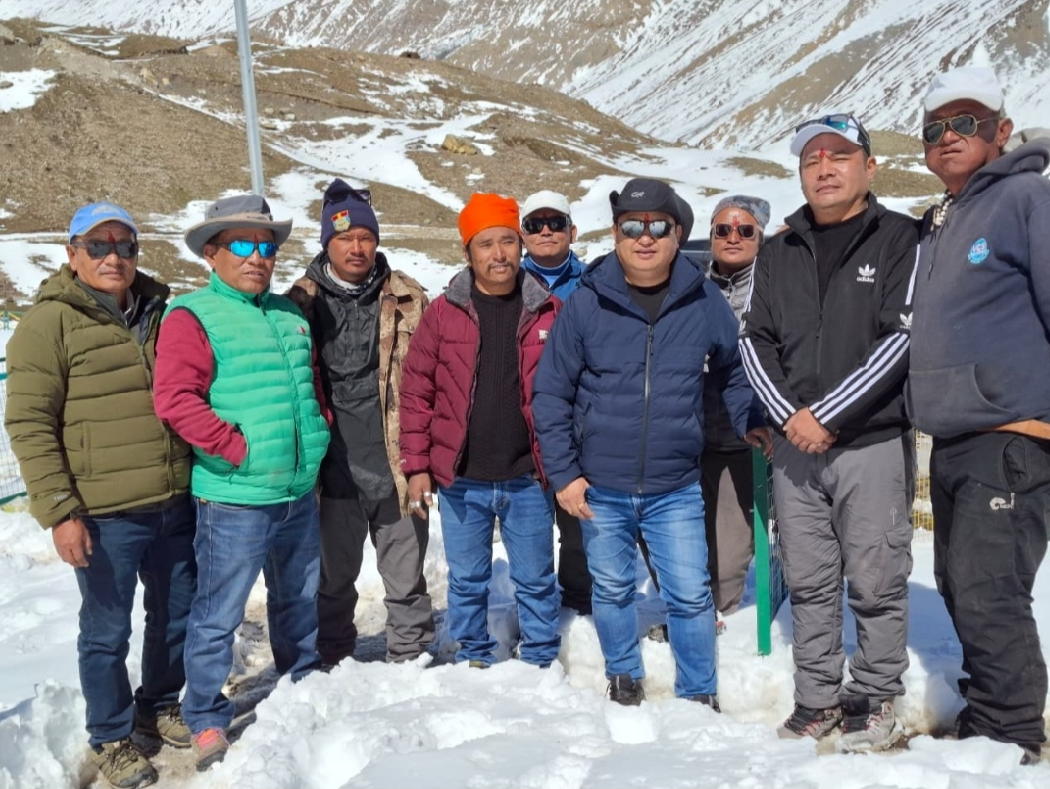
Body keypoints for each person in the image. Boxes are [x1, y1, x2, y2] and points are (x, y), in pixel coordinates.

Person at [532, 178, 768, 707]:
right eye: (631, 227)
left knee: (689, 594)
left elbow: (732, 371)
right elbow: (550, 393)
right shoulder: (587, 302)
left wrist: (750, 417)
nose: (645, 238)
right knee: (612, 589)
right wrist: (565, 475)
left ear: (677, 233)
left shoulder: (702, 298)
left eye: (657, 227)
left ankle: (699, 693)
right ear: (615, 234)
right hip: (601, 486)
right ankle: (622, 674)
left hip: (676, 484)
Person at [739, 112, 918, 751]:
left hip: (868, 443)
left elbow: (901, 340)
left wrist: (827, 414)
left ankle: (873, 696)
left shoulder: (898, 238)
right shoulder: (780, 249)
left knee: (875, 577)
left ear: (868, 167)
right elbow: (754, 339)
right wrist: (791, 418)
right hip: (795, 450)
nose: (824, 167)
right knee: (811, 580)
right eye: (812, 158)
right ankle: (817, 698)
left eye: (839, 156)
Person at [5, 202, 194, 789]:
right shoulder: (48, 323)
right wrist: (60, 513)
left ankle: (158, 702)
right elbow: (30, 423)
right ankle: (110, 734)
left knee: (175, 615)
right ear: (72, 253)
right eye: (98, 246)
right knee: (107, 631)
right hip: (104, 512)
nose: (114, 257)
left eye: (126, 246)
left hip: (174, 498)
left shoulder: (162, 310)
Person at [153, 194, 330, 771]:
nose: (259, 257)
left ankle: (301, 682)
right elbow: (175, 400)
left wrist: (319, 434)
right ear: (213, 253)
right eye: (243, 245)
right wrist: (238, 448)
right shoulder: (192, 315)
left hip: (297, 490)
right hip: (234, 498)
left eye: (267, 247)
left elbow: (310, 390)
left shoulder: (288, 313)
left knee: (298, 598)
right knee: (219, 611)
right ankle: (204, 715)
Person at [907, 66, 1050, 766]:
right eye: (936, 128)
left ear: (1000, 128)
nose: (948, 137)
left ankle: (1015, 733)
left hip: (1013, 435)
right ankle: (989, 710)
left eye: (966, 122)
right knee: (960, 580)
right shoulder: (948, 217)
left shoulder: (1027, 197)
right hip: (957, 435)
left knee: (992, 587)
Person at [399, 193, 562, 668]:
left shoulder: (547, 311)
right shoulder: (443, 314)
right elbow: (417, 394)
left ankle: (540, 657)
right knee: (467, 578)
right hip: (461, 478)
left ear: (520, 245)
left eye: (508, 241)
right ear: (468, 253)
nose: (499, 254)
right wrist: (417, 467)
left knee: (535, 576)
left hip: (526, 475)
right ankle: (474, 654)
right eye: (485, 243)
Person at [287, 178, 435, 666]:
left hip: (396, 466)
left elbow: (432, 380)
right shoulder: (296, 305)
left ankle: (411, 659)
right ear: (327, 242)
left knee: (406, 577)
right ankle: (332, 658)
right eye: (345, 237)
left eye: (366, 237)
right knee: (331, 581)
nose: (357, 247)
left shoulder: (409, 297)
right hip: (331, 474)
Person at [519, 190, 591, 616]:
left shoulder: (595, 283)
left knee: (579, 524)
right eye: (535, 224)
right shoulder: (502, 282)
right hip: (520, 425)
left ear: (572, 230)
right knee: (529, 528)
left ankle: (579, 604)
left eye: (556, 223)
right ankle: (536, 609)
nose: (546, 231)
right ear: (523, 234)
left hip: (579, 425)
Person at [702, 195, 772, 621]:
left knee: (729, 554)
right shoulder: (690, 287)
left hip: (748, 439)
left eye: (745, 230)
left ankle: (719, 614)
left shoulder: (774, 289)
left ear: (760, 238)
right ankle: (689, 608)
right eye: (722, 229)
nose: (733, 237)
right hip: (690, 438)